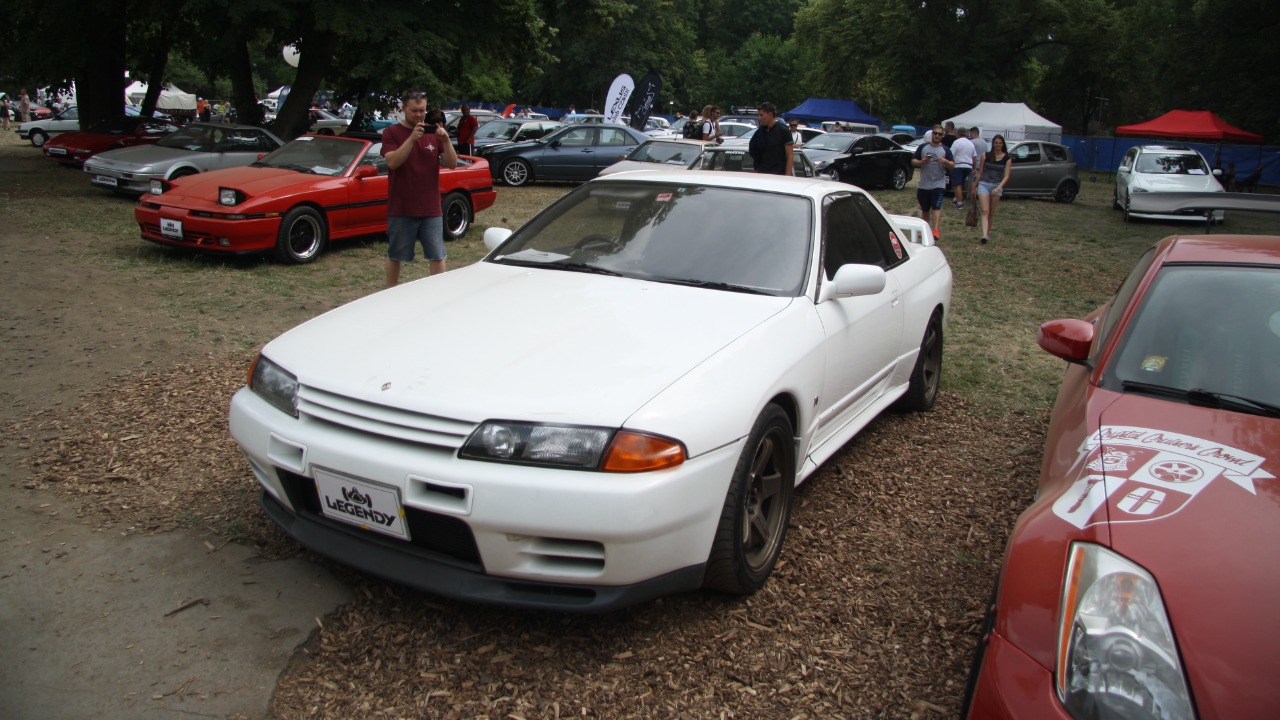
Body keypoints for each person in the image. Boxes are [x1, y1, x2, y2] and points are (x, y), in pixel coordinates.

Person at [381, 89, 458, 288]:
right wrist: (412, 139)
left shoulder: (433, 133)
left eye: (422, 110)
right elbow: (393, 162)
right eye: (414, 111)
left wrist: (446, 141)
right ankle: (390, 294)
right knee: (395, 255)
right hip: (402, 208)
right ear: (404, 108)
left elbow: (451, 164)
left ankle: (438, 296)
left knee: (437, 255)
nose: (419, 115)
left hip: (431, 208)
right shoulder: (392, 133)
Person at [911, 124, 955, 240]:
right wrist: (922, 162)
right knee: (925, 209)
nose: (936, 136)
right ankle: (925, 229)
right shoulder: (923, 147)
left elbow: (952, 165)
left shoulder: (945, 150)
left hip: (938, 183)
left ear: (942, 136)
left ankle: (936, 231)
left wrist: (945, 161)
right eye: (935, 133)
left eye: (939, 134)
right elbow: (913, 161)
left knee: (936, 207)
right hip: (924, 184)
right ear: (932, 134)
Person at [973, 134, 1012, 244]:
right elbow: (980, 172)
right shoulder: (985, 156)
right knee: (985, 210)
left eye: (1000, 143)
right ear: (993, 144)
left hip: (996, 185)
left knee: (991, 212)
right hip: (984, 184)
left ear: (1003, 144)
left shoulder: (1007, 159)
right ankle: (984, 235)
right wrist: (974, 186)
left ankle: (988, 233)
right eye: (996, 143)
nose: (998, 145)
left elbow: (1007, 176)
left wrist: (999, 188)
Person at [748, 102, 794, 176]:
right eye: (759, 115)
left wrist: (787, 176)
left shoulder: (783, 131)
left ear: (770, 115)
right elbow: (754, 151)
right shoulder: (760, 131)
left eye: (762, 115)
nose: (759, 118)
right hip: (762, 173)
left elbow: (790, 156)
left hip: (779, 174)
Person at [949, 126, 976, 209]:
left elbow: (951, 153)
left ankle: (959, 203)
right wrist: (974, 168)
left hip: (959, 165)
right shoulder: (971, 143)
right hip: (968, 166)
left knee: (957, 184)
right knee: (962, 183)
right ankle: (955, 199)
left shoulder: (957, 142)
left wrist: (949, 163)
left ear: (958, 133)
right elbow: (974, 157)